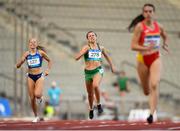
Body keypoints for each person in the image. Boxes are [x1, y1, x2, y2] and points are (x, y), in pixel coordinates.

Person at [128, 3, 168, 124]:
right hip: (142, 59)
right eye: (146, 11)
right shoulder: (139, 27)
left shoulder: (159, 26)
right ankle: (149, 98)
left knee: (155, 84)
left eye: (150, 11)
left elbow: (165, 36)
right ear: (143, 13)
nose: (148, 13)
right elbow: (133, 46)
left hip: (155, 57)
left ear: (154, 13)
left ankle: (151, 114)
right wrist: (146, 48)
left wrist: (165, 44)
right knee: (146, 90)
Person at [75, 31, 116, 119]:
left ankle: (99, 104)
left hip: (98, 70)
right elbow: (77, 57)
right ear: (87, 39)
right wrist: (80, 54)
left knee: (96, 85)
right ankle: (91, 109)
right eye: (89, 36)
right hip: (88, 72)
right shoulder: (86, 47)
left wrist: (112, 66)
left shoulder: (101, 48)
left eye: (93, 35)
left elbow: (107, 57)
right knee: (90, 94)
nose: (91, 37)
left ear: (96, 37)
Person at [16, 38, 52, 122]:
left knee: (37, 94)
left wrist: (48, 70)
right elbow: (17, 66)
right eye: (31, 42)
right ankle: (36, 116)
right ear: (29, 44)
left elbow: (49, 61)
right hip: (30, 76)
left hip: (39, 76)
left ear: (36, 44)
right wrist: (21, 62)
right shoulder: (26, 54)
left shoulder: (40, 53)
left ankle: (40, 97)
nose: (32, 43)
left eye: (34, 42)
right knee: (32, 98)